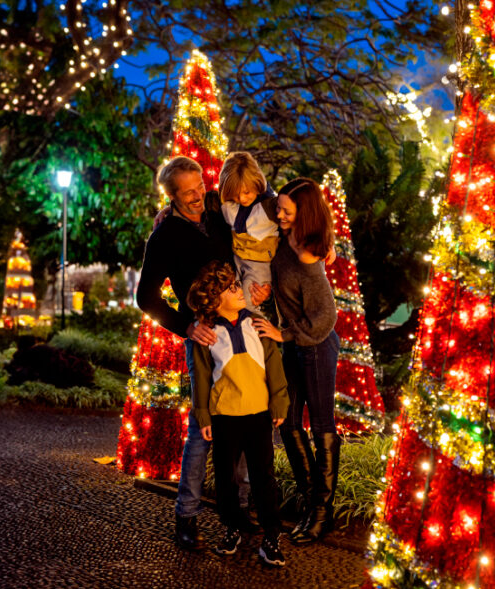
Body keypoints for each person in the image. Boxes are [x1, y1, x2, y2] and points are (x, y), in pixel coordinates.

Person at [135, 156, 250, 551]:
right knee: (202, 432)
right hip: (202, 337)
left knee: (249, 418)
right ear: (172, 197)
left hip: (241, 325)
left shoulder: (218, 208)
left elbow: (260, 205)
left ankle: (243, 512)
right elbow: (145, 298)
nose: (200, 194)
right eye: (189, 192)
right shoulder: (164, 235)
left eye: (200, 185)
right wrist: (186, 326)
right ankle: (186, 517)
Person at [252, 178, 341, 545]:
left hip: (317, 346)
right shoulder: (286, 236)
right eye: (281, 208)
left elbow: (326, 317)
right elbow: (262, 194)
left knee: (321, 426)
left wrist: (283, 334)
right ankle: (309, 503)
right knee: (287, 423)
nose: (280, 213)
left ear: (304, 214)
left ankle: (322, 513)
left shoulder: (309, 256)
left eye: (288, 210)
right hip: (295, 345)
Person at [186, 260, 289, 566]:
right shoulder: (206, 335)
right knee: (226, 480)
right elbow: (201, 378)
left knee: (263, 478)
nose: (238, 289)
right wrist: (203, 415)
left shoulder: (258, 324)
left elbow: (274, 367)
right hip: (223, 418)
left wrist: (279, 403)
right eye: (231, 288)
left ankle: (271, 536)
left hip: (258, 416)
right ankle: (231, 528)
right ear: (216, 300)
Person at [218, 152, 279, 315]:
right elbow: (203, 204)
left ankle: (255, 334)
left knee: (249, 300)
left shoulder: (271, 205)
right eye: (235, 194)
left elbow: (301, 218)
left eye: (246, 192)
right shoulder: (229, 206)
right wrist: (170, 210)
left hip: (259, 263)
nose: (241, 198)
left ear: (256, 183)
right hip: (237, 258)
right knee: (227, 299)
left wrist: (327, 244)